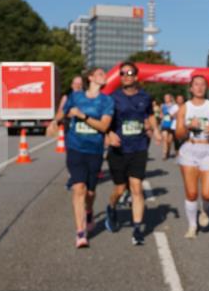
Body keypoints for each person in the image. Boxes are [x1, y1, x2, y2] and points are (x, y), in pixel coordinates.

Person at [104, 62, 161, 246]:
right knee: (120, 189)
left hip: (139, 147)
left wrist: (156, 131)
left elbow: (150, 115)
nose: (127, 76)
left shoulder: (145, 96)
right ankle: (111, 207)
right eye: (123, 73)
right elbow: (104, 121)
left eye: (130, 73)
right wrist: (109, 133)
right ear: (120, 77)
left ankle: (137, 229)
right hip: (119, 149)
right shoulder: (113, 98)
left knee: (136, 187)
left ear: (136, 77)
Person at [58, 67, 114, 248]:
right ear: (90, 78)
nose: (104, 76)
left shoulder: (107, 101)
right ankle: (80, 232)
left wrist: (83, 116)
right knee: (78, 188)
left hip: (95, 150)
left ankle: (89, 211)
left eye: (104, 74)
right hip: (75, 147)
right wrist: (55, 120)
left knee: (90, 192)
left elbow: (104, 126)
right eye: (100, 74)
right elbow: (64, 112)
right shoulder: (76, 96)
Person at [175, 75, 209, 238]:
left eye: (203, 84)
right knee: (192, 192)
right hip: (190, 148)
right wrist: (189, 126)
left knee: (208, 194)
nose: (200, 87)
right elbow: (179, 133)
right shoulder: (185, 108)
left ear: (206, 88)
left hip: (208, 150)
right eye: (196, 85)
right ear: (191, 88)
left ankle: (204, 209)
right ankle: (192, 226)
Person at [160, 93, 178, 159]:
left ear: (170, 98)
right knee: (164, 139)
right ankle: (164, 154)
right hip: (164, 124)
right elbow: (161, 114)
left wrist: (173, 116)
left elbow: (177, 114)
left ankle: (168, 151)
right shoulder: (162, 105)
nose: (166, 99)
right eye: (165, 97)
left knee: (169, 141)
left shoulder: (174, 106)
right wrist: (161, 116)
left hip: (172, 125)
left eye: (167, 97)